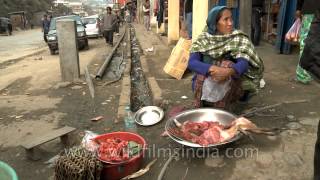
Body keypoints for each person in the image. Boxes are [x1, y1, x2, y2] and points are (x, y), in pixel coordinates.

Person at [187, 6, 264, 110]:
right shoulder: (203, 39)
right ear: (215, 23)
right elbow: (192, 62)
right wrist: (213, 69)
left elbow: (244, 62)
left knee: (227, 64)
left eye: (231, 18)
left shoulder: (238, 37)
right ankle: (206, 101)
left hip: (231, 81)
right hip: (207, 80)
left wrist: (228, 71)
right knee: (200, 75)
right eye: (225, 19)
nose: (230, 23)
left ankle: (229, 102)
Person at [296, 1, 320, 179]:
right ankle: (303, 75)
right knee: (305, 44)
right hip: (310, 12)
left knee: (305, 44)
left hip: (309, 12)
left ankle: (303, 74)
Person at [296, 0, 320, 83]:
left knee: (306, 40)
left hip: (309, 9)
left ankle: (303, 73)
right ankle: (303, 73)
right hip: (312, 9)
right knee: (308, 41)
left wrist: (298, 9)